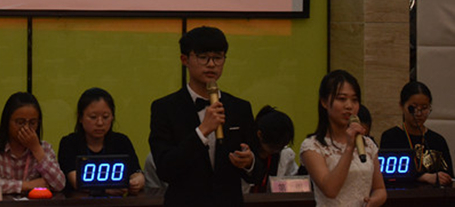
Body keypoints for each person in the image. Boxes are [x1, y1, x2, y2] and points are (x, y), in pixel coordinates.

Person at [149, 26, 263, 207]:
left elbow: (257, 172)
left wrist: (249, 162)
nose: (211, 64)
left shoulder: (240, 108)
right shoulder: (165, 108)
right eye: (203, 57)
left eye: (218, 57)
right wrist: (202, 132)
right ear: (184, 59)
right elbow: (165, 169)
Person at [300, 70, 386, 206]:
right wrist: (349, 148)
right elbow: (330, 189)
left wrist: (374, 200)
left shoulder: (367, 144)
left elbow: (380, 189)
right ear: (324, 102)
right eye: (341, 99)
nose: (349, 106)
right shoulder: (312, 146)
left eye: (354, 100)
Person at [58, 87, 145, 194]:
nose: (100, 123)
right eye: (93, 117)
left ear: (112, 117)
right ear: (80, 118)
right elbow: (77, 182)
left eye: (105, 117)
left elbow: (137, 173)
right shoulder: (69, 143)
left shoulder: (122, 141)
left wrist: (137, 181)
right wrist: (107, 189)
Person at [0, 92, 65, 194]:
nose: (26, 128)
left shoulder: (44, 148)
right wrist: (27, 185)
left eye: (32, 123)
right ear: (7, 122)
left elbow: (60, 184)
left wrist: (36, 149)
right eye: (20, 122)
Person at [379, 81, 453, 187]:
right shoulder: (390, 137)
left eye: (424, 108)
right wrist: (424, 177)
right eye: (413, 108)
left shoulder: (438, 141)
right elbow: (387, 176)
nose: (418, 113)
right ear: (401, 106)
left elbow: (449, 177)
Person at [246, 105, 298, 193]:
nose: (277, 150)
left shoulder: (285, 154)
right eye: (273, 146)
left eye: (281, 146)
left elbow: (294, 182)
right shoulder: (245, 154)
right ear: (259, 134)